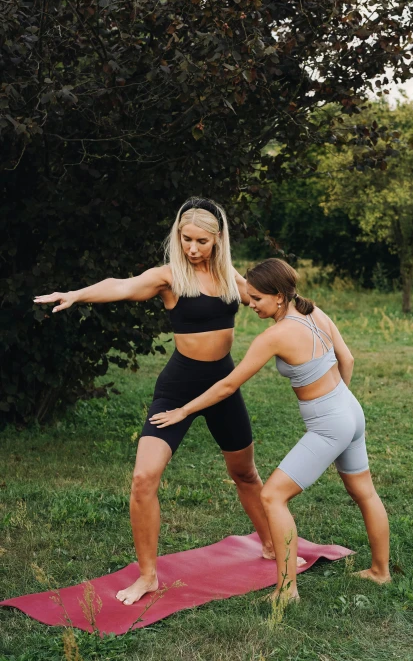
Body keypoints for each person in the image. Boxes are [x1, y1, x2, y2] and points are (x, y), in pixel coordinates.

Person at [34, 198, 281, 606]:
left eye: (201, 240)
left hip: (222, 386)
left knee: (245, 474)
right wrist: (76, 294)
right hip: (178, 387)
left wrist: (307, 321)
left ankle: (271, 544)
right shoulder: (169, 278)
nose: (192, 248)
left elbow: (270, 301)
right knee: (143, 479)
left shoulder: (228, 275)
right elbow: (121, 285)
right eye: (185, 239)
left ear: (218, 240)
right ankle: (147, 575)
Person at [149, 257, 391, 602]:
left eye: (256, 299)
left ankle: (286, 590)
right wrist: (339, 408)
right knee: (365, 492)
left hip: (331, 424)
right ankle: (380, 572)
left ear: (278, 296)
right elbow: (347, 359)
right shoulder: (313, 312)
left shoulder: (275, 335)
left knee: (273, 496)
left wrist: (183, 410)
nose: (250, 305)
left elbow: (227, 386)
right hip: (351, 410)